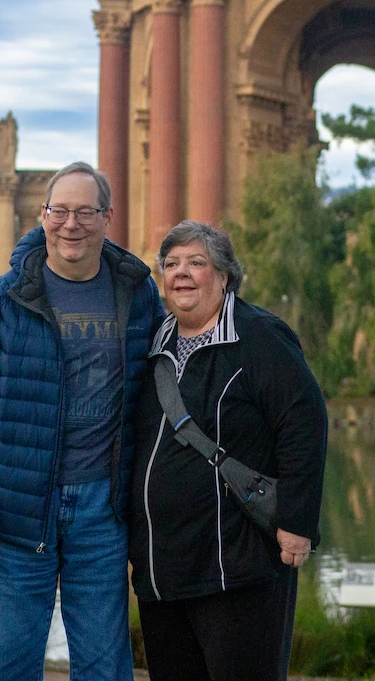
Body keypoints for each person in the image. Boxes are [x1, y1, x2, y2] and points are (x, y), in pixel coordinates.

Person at [0, 162, 165, 681]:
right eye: (59, 211)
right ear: (42, 216)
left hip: (102, 514)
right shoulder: (1, 300)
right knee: (8, 668)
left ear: (108, 217)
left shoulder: (137, 295)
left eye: (85, 212)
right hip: (16, 510)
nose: (71, 224)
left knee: (105, 668)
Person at [129, 220, 328, 681]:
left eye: (197, 263)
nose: (182, 273)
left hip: (237, 568)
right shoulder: (155, 343)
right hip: (164, 573)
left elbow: (305, 422)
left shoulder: (258, 336)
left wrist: (297, 522)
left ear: (223, 276)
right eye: (172, 263)